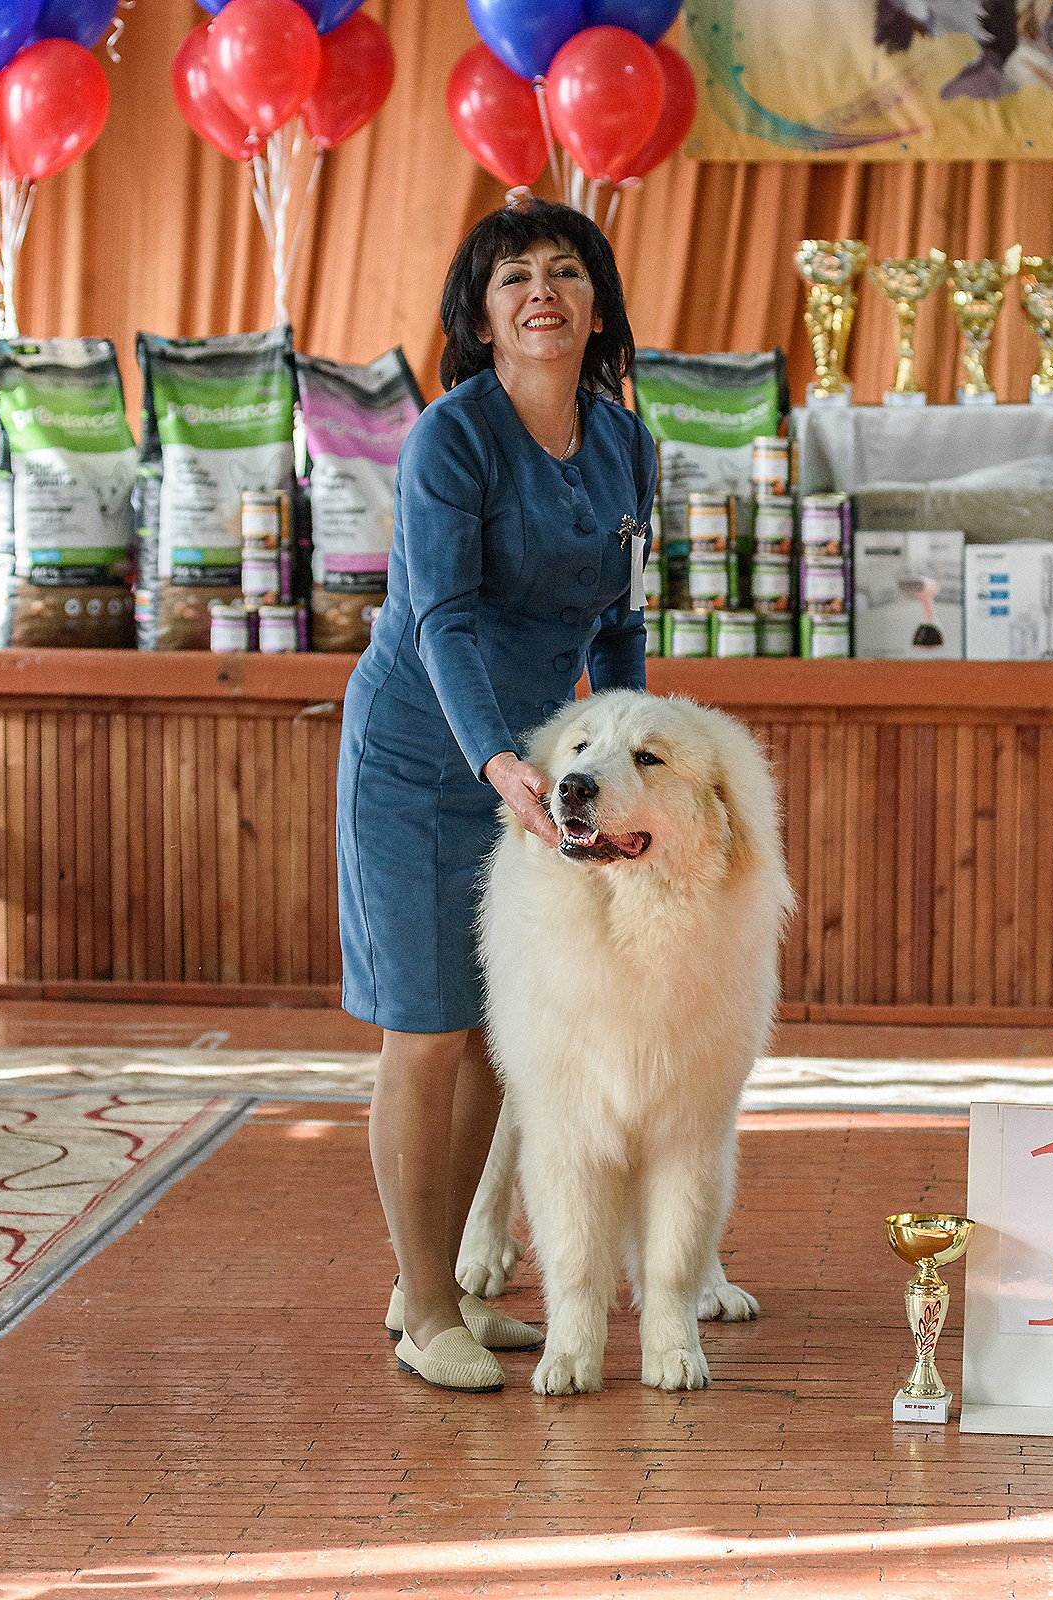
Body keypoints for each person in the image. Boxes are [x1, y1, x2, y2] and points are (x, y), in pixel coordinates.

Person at [336, 198, 658, 1392]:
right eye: (514, 273)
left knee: (489, 1036)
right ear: (481, 313)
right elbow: (443, 617)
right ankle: (426, 1311)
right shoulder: (451, 439)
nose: (541, 290)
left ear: (593, 304)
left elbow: (617, 624)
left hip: (538, 774)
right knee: (422, 1030)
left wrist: (624, 763)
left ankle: (432, 1278)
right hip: (426, 761)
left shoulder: (624, 441)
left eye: (565, 271)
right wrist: (495, 761)